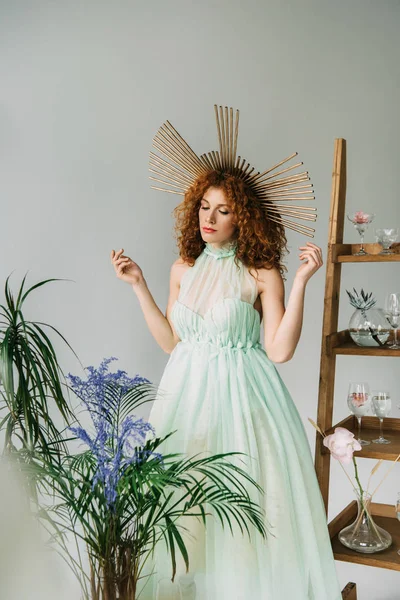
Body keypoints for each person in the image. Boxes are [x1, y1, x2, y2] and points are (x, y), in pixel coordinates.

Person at [111, 170, 342, 599]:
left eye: (223, 209)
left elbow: (278, 351)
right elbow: (170, 342)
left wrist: (303, 283)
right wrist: (138, 285)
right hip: (185, 397)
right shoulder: (183, 268)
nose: (209, 218)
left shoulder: (260, 272)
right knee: (184, 510)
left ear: (243, 218)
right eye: (204, 207)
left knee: (241, 508)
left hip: (241, 397)